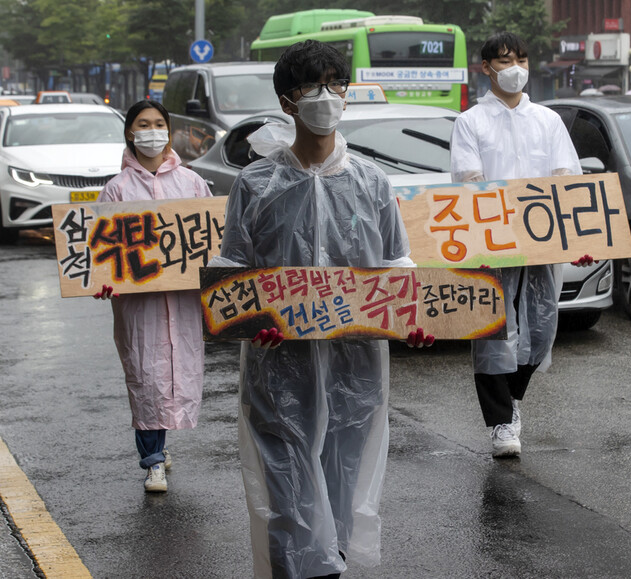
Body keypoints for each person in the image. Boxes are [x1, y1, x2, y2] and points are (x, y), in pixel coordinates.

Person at [210, 40, 433, 578]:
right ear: (288, 101)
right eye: (313, 87)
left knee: (341, 483)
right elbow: (232, 270)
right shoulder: (256, 183)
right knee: (288, 494)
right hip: (277, 366)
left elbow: (396, 265)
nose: (326, 97)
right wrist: (249, 319)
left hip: (354, 367)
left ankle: (332, 565)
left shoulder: (371, 182)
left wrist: (415, 319)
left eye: (336, 85)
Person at [450, 31, 592, 459]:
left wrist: (581, 236)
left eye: (522, 59)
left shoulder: (547, 121)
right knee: (492, 330)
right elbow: (468, 180)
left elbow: (569, 177)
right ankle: (499, 421)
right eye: (505, 60)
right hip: (492, 243)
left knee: (541, 330)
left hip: (542, 243)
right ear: (486, 68)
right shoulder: (471, 122)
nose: (515, 68)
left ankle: (512, 401)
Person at [94, 99, 212, 493]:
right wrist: (102, 279)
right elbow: (101, 252)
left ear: (169, 130)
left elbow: (210, 238)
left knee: (177, 373)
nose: (151, 131)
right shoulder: (116, 189)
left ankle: (161, 444)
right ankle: (153, 460)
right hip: (138, 303)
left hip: (181, 300)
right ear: (130, 132)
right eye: (143, 124)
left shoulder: (192, 183)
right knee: (146, 376)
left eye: (158, 123)